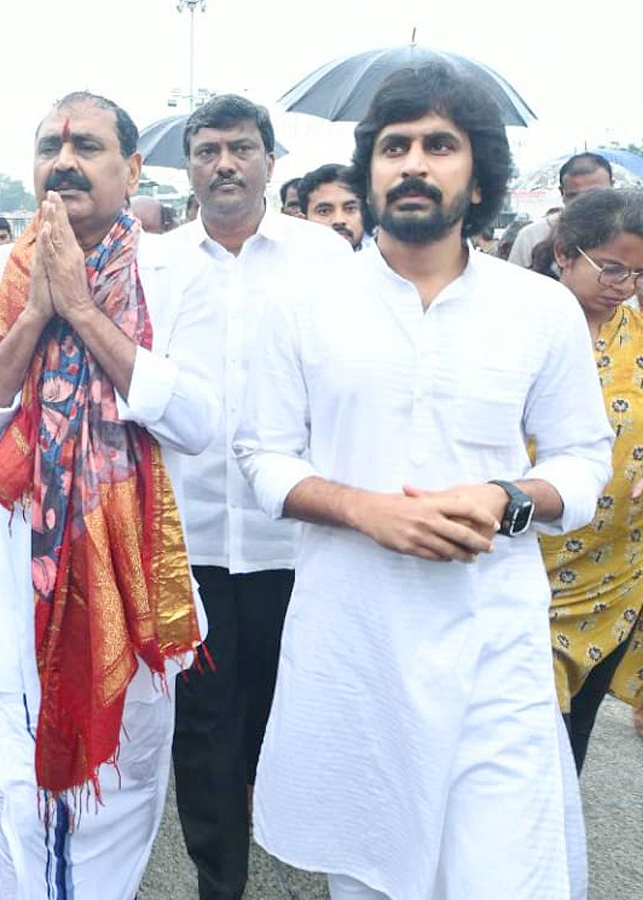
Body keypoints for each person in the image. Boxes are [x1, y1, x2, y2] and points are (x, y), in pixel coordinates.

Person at [236, 63, 612, 900]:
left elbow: (584, 460)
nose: (414, 163)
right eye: (395, 145)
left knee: (503, 873)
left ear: (477, 173)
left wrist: (507, 498)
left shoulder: (537, 308)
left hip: (493, 641)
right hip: (354, 639)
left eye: (439, 145)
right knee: (373, 871)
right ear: (370, 170)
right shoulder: (303, 305)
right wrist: (365, 510)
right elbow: (263, 457)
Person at [0, 90, 218, 900]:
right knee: (30, 803)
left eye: (87, 147)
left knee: (124, 794)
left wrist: (87, 315)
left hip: (136, 581)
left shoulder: (177, 270)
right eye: (49, 147)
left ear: (131, 170)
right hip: (21, 586)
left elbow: (201, 420)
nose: (63, 161)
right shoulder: (0, 266)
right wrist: (32, 316)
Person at [165, 94, 351, 900]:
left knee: (290, 709)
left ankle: (301, 840)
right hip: (189, 540)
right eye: (207, 151)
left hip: (297, 542)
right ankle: (220, 878)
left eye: (241, 148)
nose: (225, 165)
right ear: (190, 166)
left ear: (272, 159)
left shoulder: (328, 261)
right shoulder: (154, 263)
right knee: (201, 724)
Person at [531, 187, 643, 773]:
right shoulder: (520, 327)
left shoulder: (639, 333)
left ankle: (552, 852)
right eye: (613, 267)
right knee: (522, 731)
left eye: (639, 272)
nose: (624, 285)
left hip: (616, 574)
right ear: (565, 254)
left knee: (576, 727)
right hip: (528, 569)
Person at [508, 153, 613, 268]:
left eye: (595, 195)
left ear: (612, 187)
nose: (586, 204)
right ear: (562, 193)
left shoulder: (629, 233)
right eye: (575, 197)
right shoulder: (532, 237)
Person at [299, 163, 366, 250]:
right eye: (324, 211)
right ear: (304, 220)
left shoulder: (382, 262)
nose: (339, 220)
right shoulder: (286, 262)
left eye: (350, 209)